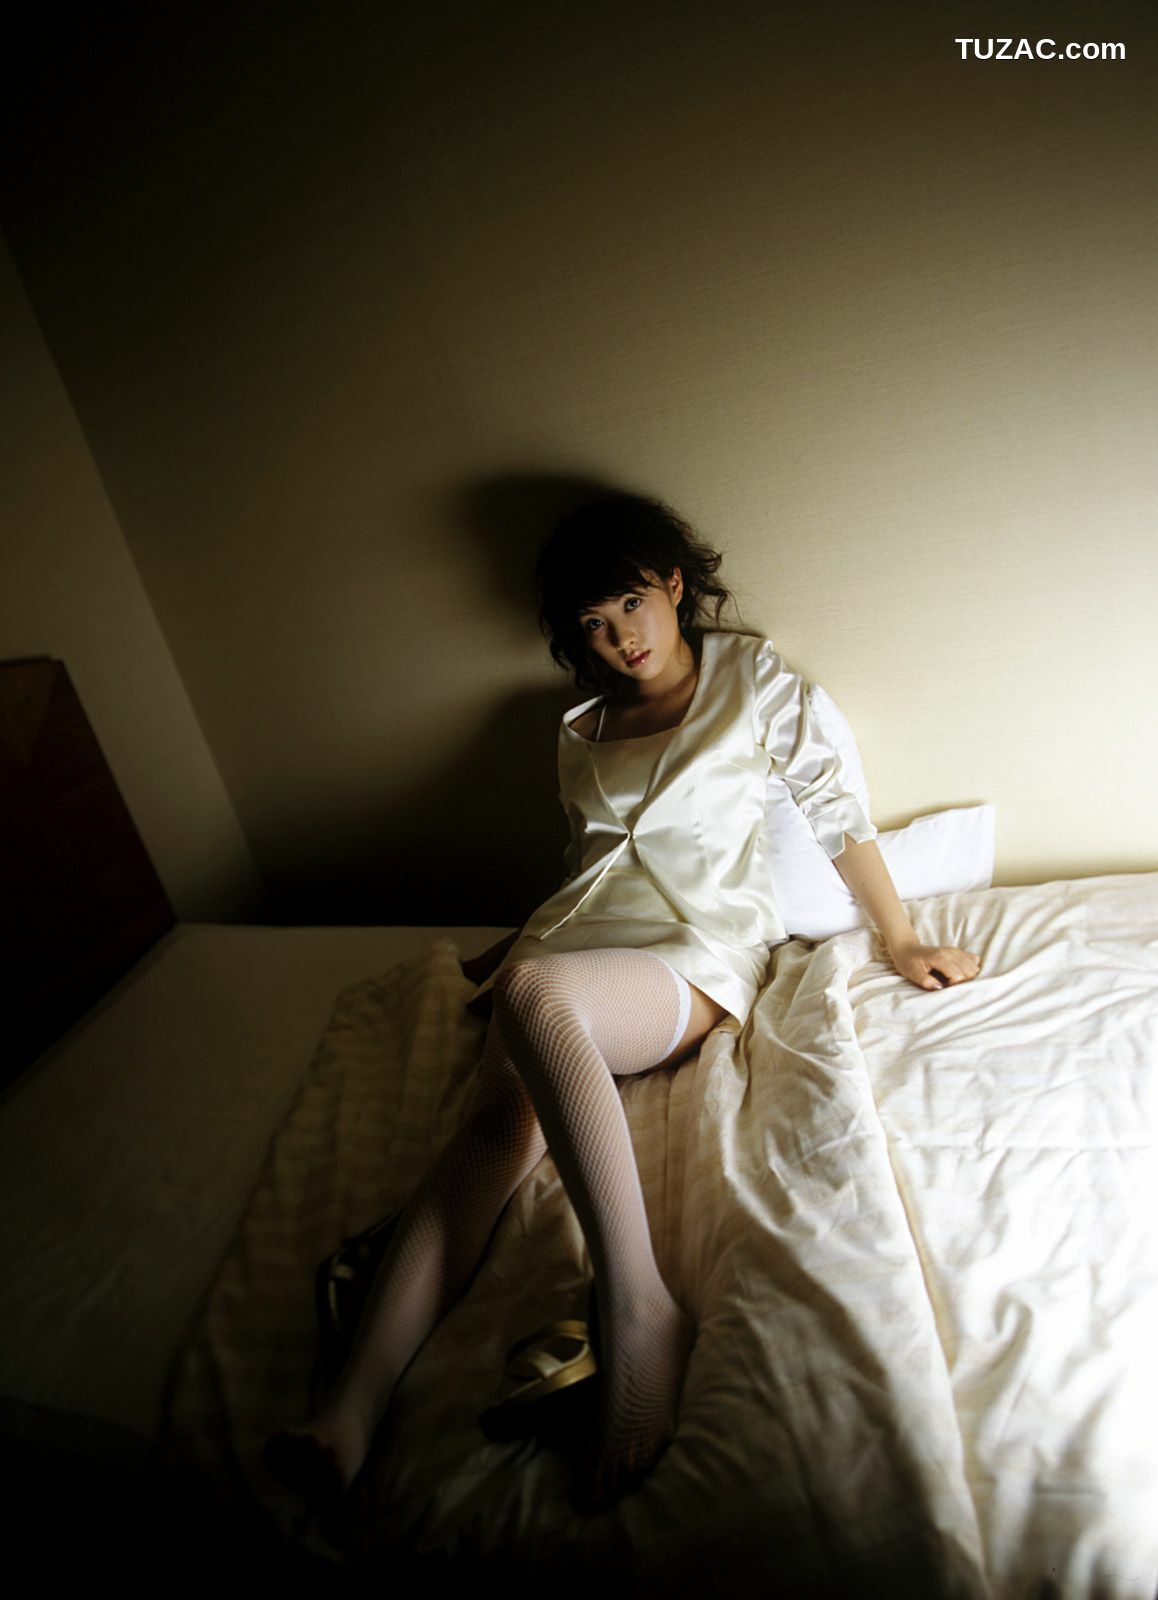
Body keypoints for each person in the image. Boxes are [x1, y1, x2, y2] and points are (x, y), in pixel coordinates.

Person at [263, 491, 982, 1516]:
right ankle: (347, 1417)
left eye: (631, 605)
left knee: (535, 994)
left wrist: (899, 938)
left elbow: (836, 813)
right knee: (485, 1142)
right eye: (594, 625)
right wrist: (515, 942)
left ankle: (638, 1306)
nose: (620, 639)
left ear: (674, 584)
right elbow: (588, 866)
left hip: (690, 954)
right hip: (566, 951)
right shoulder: (582, 727)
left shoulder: (751, 679)